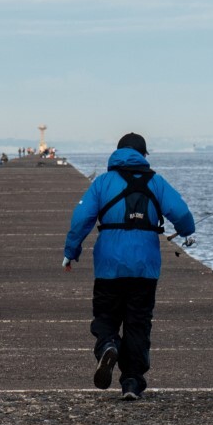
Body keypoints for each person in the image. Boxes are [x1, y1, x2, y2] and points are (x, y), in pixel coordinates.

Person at [62, 133, 195, 400]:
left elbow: (81, 218)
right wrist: (187, 231)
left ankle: (108, 345)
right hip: (145, 267)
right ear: (143, 156)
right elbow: (179, 212)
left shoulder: (102, 183)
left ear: (118, 153)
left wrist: (71, 252)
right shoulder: (156, 181)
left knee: (105, 317)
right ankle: (132, 383)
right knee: (138, 323)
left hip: (109, 266)